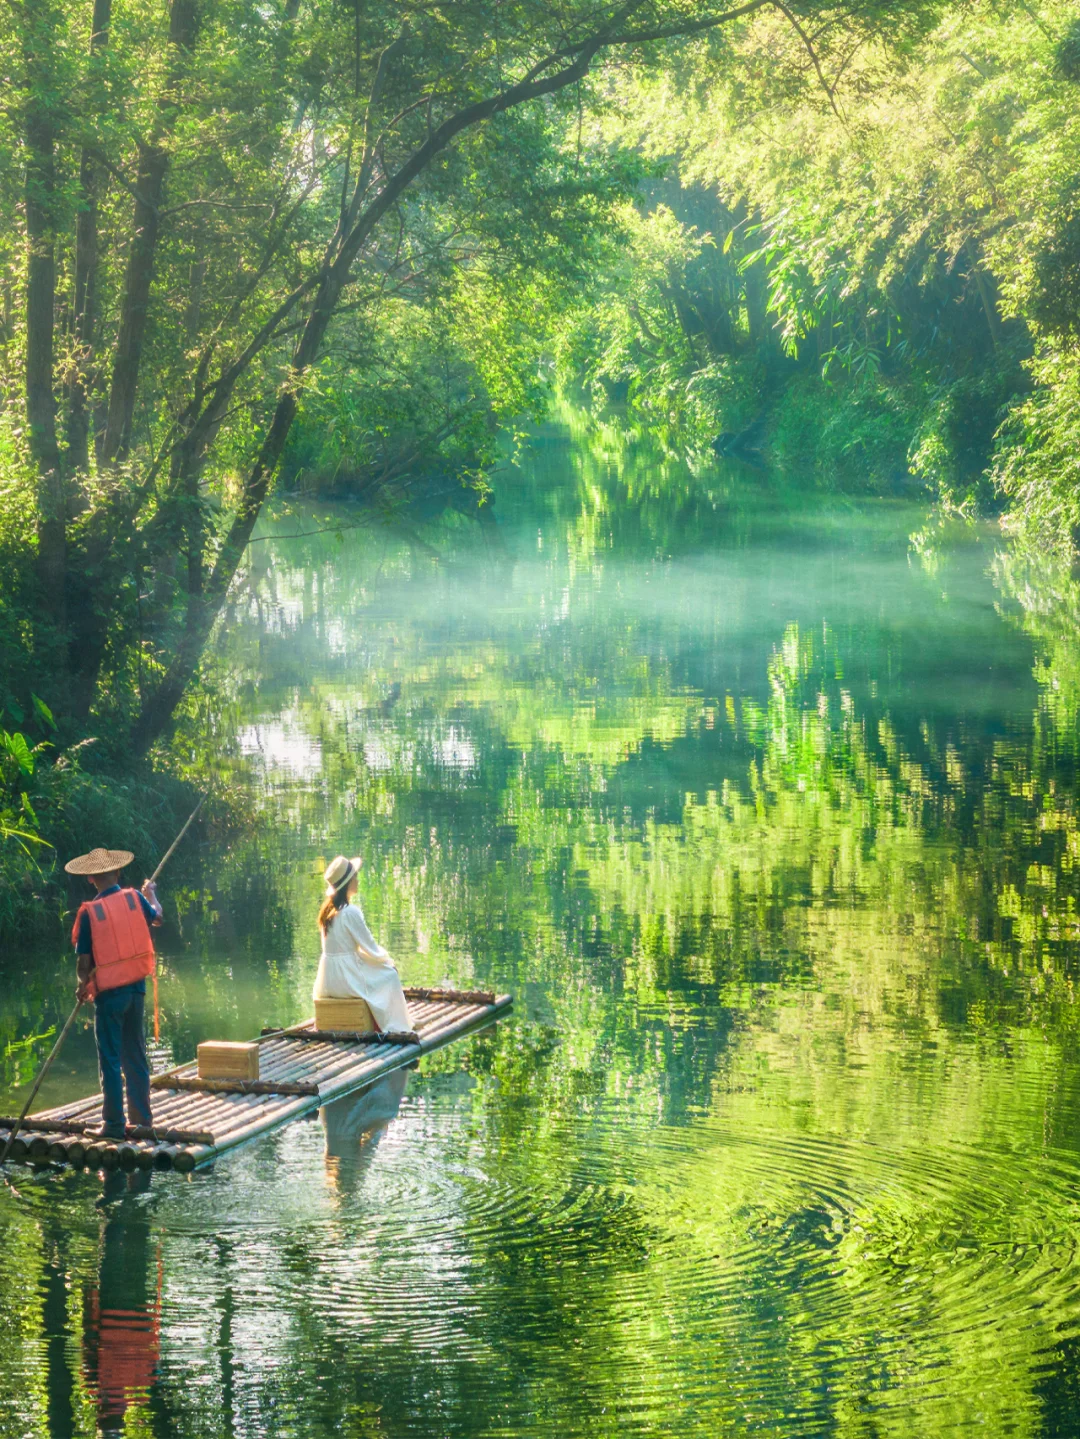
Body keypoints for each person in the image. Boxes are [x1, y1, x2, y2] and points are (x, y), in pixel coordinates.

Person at [65, 847, 163, 1141]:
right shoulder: (136, 898)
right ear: (118, 873)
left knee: (109, 1058)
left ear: (91, 878)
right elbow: (157, 917)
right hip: (136, 991)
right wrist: (152, 894)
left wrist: (83, 985)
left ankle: (114, 1125)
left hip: (109, 996)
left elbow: (84, 963)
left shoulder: (90, 913)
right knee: (135, 1055)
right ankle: (142, 1122)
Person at [314, 854, 411, 1032]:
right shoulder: (350, 912)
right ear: (348, 883)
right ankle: (396, 1025)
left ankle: (388, 1021)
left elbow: (342, 950)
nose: (357, 880)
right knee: (390, 975)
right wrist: (387, 961)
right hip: (346, 978)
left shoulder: (326, 912)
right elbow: (370, 947)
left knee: (380, 971)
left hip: (327, 979)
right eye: (355, 877)